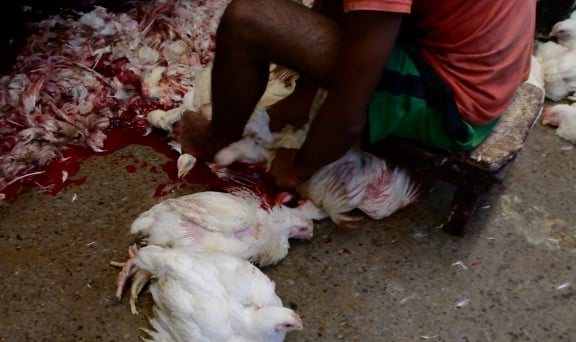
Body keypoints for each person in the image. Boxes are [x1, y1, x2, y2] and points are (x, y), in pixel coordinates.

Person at [173, 0, 536, 189]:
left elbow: (351, 105)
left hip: (453, 101)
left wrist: (302, 166)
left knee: (247, 19)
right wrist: (306, 91)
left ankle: (217, 139)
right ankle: (294, 102)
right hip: (488, 62)